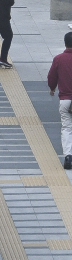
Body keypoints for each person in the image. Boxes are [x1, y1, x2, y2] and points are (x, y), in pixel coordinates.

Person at [47, 32, 72, 170]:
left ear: (65, 43)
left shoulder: (59, 59)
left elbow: (51, 76)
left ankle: (68, 156)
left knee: (67, 128)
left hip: (66, 100)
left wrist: (52, 88)